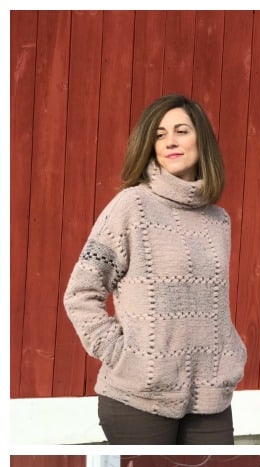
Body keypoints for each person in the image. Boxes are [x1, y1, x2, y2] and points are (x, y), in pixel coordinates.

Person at [63, 94, 246, 445]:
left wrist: (228, 349)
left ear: (201, 141)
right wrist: (123, 353)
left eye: (181, 131)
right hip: (139, 397)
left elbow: (212, 305)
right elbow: (81, 294)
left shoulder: (218, 220)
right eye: (160, 135)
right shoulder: (131, 207)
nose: (170, 142)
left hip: (210, 394)